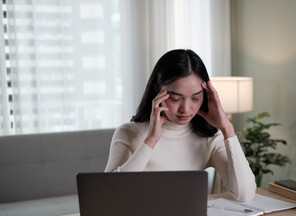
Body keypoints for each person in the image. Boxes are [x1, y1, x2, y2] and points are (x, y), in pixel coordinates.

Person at [105, 49, 256, 202]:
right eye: (176, 98)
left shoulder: (209, 137)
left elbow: (244, 194)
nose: (185, 109)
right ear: (158, 90)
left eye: (196, 98)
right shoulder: (128, 133)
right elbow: (109, 195)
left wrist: (227, 129)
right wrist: (150, 140)